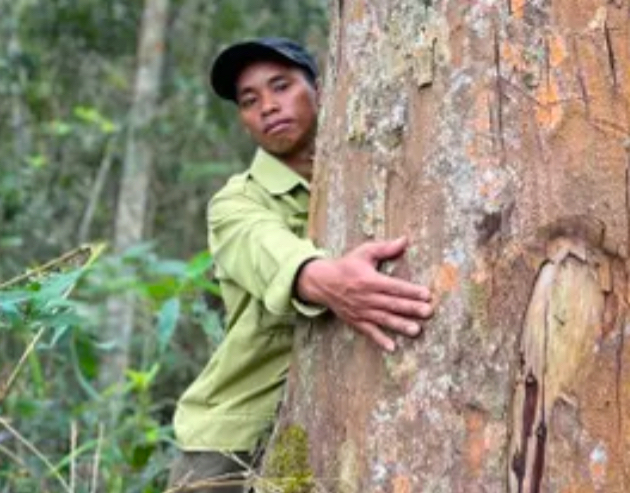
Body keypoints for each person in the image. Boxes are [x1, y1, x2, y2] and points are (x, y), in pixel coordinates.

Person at [167, 38, 434, 491]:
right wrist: (326, 279)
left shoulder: (378, 172)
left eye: (281, 86)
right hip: (236, 433)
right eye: (250, 101)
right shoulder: (236, 202)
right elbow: (266, 250)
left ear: (322, 90)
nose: (268, 107)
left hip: (347, 417)